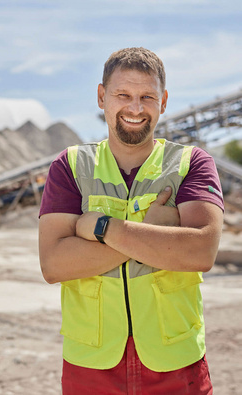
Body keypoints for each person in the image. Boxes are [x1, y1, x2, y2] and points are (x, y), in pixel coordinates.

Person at [38, 47, 224, 394]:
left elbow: (200, 252)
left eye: (147, 97)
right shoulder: (71, 166)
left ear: (164, 101)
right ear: (101, 96)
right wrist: (158, 235)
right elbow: (53, 264)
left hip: (176, 363)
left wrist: (101, 228)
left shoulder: (191, 163)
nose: (135, 108)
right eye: (123, 94)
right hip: (91, 366)